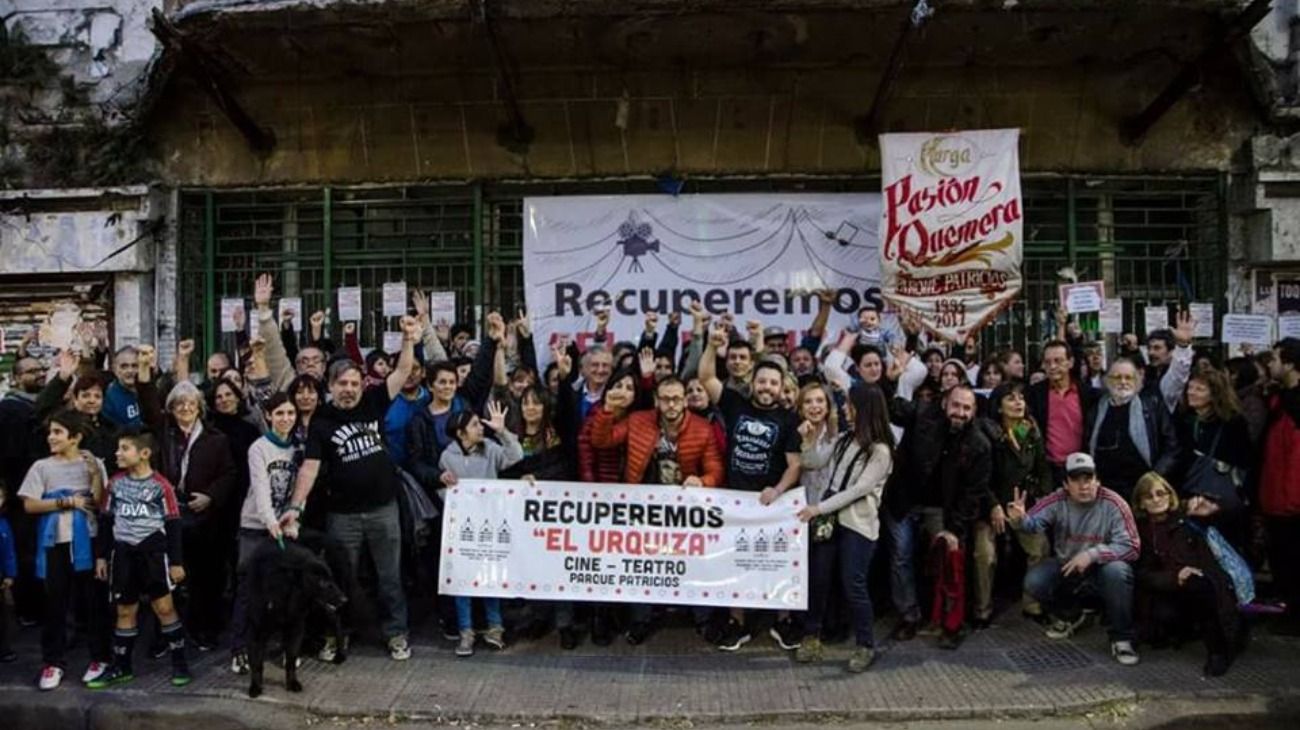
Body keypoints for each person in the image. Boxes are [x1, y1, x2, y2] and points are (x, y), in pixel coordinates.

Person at [279, 312, 423, 661]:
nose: (349, 390)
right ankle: (335, 636)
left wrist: (407, 340)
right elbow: (309, 469)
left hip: (383, 510)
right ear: (330, 387)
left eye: (354, 384)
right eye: (342, 384)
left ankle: (396, 634)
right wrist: (295, 508)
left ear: (362, 385)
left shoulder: (375, 402)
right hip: (342, 516)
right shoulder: (322, 421)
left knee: (390, 578)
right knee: (340, 580)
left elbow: (403, 372)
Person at [589, 375, 725, 645]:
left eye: (676, 398)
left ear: (685, 400)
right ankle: (642, 620)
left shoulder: (702, 428)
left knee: (696, 563)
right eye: (665, 399)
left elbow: (716, 469)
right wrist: (606, 412)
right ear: (656, 400)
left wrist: (703, 481)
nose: (671, 404)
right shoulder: (638, 420)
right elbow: (602, 440)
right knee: (644, 565)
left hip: (684, 512)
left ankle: (703, 619)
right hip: (644, 510)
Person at [699, 321, 802, 651]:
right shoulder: (735, 403)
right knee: (735, 563)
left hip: (774, 505)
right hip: (736, 504)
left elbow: (795, 464)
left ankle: (783, 620)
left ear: (780, 386)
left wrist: (779, 490)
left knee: (779, 562)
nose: (767, 387)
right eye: (762, 381)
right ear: (753, 383)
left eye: (773, 382)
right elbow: (706, 378)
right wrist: (713, 347)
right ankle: (737, 622)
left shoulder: (789, 419)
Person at [137, 349, 236, 651]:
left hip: (204, 518)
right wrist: (144, 368)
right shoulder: (162, 432)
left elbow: (230, 473)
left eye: (191, 403)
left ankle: (204, 630)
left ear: (199, 407)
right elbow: (147, 402)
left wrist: (210, 496)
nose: (185, 408)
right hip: (170, 517)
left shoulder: (216, 438)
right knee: (166, 579)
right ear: (171, 408)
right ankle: (164, 636)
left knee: (206, 579)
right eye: (179, 404)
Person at [792, 384, 894, 672]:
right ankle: (811, 636)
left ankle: (865, 645)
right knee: (819, 579)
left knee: (854, 584)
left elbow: (860, 489)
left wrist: (818, 508)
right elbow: (812, 462)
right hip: (830, 522)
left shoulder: (880, 451)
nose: (846, 410)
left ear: (864, 409)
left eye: (851, 406)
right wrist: (809, 440)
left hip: (857, 525)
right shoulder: (843, 440)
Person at [1006, 452, 1141, 666]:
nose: (1083, 486)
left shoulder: (1114, 503)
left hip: (1103, 567)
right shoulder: (1057, 499)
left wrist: (1092, 554)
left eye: (1088, 479)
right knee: (1035, 581)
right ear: (1066, 484)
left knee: (1118, 571)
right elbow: (1034, 523)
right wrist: (1021, 519)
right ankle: (1071, 616)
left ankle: (1122, 638)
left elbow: (1132, 547)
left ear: (1098, 481)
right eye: (1076, 480)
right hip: (1067, 565)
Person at [86, 430, 190, 688]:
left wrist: (176, 562)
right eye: (118, 448)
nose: (117, 453)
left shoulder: (161, 486)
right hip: (123, 553)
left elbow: (174, 524)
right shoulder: (115, 483)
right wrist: (101, 557)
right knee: (124, 609)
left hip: (154, 553)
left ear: (144, 454)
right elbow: (107, 519)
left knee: (164, 608)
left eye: (124, 448)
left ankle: (180, 664)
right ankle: (121, 667)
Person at [19, 409, 110, 690]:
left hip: (89, 539)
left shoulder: (92, 463)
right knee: (55, 602)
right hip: (55, 541)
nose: (51, 437)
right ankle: (53, 662)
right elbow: (30, 504)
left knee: (94, 602)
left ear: (76, 437)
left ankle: (100, 658)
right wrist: (66, 502)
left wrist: (95, 474)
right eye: (51, 432)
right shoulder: (42, 467)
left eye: (58, 432)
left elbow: (99, 501)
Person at [1133, 472, 1245, 677]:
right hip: (1170, 588)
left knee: (1202, 587)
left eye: (1161, 493)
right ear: (1141, 503)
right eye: (1149, 496)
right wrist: (1175, 576)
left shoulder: (1188, 516)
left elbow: (1236, 510)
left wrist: (1215, 508)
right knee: (1165, 614)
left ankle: (1217, 651)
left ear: (1170, 495)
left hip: (1205, 580)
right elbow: (1143, 573)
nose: (1156, 499)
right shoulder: (1140, 532)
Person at [439, 402, 523, 657]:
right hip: (461, 527)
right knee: (463, 580)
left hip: (491, 523)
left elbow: (516, 456)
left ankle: (495, 627)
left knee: (490, 576)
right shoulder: (447, 456)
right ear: (460, 432)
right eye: (474, 425)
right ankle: (466, 631)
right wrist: (456, 500)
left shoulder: (491, 449)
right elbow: (443, 489)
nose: (480, 428)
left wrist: (502, 432)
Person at [228, 392, 302, 674]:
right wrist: (271, 523)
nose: (286, 419)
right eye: (280, 413)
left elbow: (301, 487)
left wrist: (294, 517)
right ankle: (240, 649)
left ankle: (287, 649)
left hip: (286, 527)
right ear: (269, 416)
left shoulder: (298, 447)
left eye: (290, 413)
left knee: (287, 591)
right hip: (255, 528)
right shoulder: (259, 448)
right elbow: (260, 489)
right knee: (248, 589)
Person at [975, 381, 1052, 627]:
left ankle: (1032, 604)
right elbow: (979, 479)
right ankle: (982, 610)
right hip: (991, 505)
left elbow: (1043, 467)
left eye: (1021, 397)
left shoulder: (1031, 430)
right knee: (985, 555)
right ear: (998, 406)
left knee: (1039, 547)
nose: (1019, 402)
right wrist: (993, 505)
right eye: (1011, 398)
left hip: (1022, 506)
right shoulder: (986, 433)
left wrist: (1041, 498)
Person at [1084, 357, 1181, 503]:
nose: (1123, 382)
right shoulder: (1096, 409)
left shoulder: (1152, 406)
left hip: (1144, 490)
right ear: (1107, 380)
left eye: (1128, 377)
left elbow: (1172, 446)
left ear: (1137, 380)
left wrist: (1156, 477)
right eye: (1117, 377)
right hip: (1105, 491)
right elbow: (1087, 445)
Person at [1260, 337, 1300, 635]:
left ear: (1289, 363)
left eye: (1274, 359)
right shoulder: (1278, 399)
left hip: (1290, 503)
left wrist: (1290, 501)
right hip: (1275, 498)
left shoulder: (1295, 405)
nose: (1269, 364)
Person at [1026, 340, 1101, 486]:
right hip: (1047, 471)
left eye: (1058, 361)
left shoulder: (1089, 395)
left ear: (1070, 362)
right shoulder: (1033, 395)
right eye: (1047, 362)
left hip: (1082, 469)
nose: (1052, 366)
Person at [102, 347, 143, 429]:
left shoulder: (149, 393)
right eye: (124, 366)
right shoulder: (109, 399)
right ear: (115, 369)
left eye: (134, 366)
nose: (130, 371)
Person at [0, 486, 18, 663]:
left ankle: (4, 649)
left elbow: (9, 552)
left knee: (3, 613)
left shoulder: (3, 524)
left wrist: (10, 574)